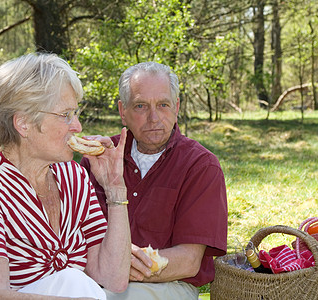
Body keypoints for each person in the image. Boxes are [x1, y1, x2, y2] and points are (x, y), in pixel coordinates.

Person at [0, 53, 131, 299]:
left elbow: (113, 277)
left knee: (74, 281)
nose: (78, 127)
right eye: (65, 115)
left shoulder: (74, 177)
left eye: (76, 113)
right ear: (24, 123)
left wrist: (115, 189)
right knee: (73, 280)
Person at [80, 62, 228, 299]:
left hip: (168, 285)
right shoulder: (99, 158)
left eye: (163, 105)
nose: (153, 117)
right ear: (123, 110)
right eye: (140, 106)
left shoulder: (200, 166)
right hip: (94, 277)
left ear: (176, 107)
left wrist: (117, 266)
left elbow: (188, 261)